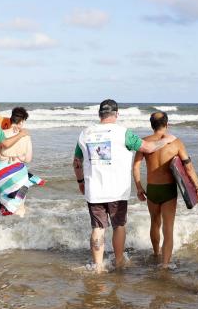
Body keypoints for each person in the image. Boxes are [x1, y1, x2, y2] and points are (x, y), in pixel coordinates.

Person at [72, 99, 178, 273]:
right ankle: (119, 261)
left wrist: (81, 182)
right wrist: (167, 141)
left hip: (94, 190)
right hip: (117, 190)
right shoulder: (124, 133)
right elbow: (149, 148)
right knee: (118, 226)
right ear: (117, 114)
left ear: (99, 114)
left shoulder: (85, 133)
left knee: (98, 228)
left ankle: (98, 266)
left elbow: (76, 162)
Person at [132, 111, 198, 268]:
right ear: (167, 124)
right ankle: (165, 264)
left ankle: (156, 253)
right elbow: (188, 167)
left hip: (152, 189)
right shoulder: (176, 143)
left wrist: (138, 187)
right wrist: (197, 185)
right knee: (168, 228)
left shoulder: (144, 142)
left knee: (154, 223)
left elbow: (135, 166)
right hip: (168, 190)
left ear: (152, 125)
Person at [0, 107, 44, 216]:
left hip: (2, 173)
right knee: (19, 205)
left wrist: (5, 156)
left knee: (3, 203)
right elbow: (28, 159)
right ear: (21, 122)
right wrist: (18, 156)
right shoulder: (26, 137)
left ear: (11, 119)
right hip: (19, 173)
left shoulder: (1, 134)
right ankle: (19, 228)